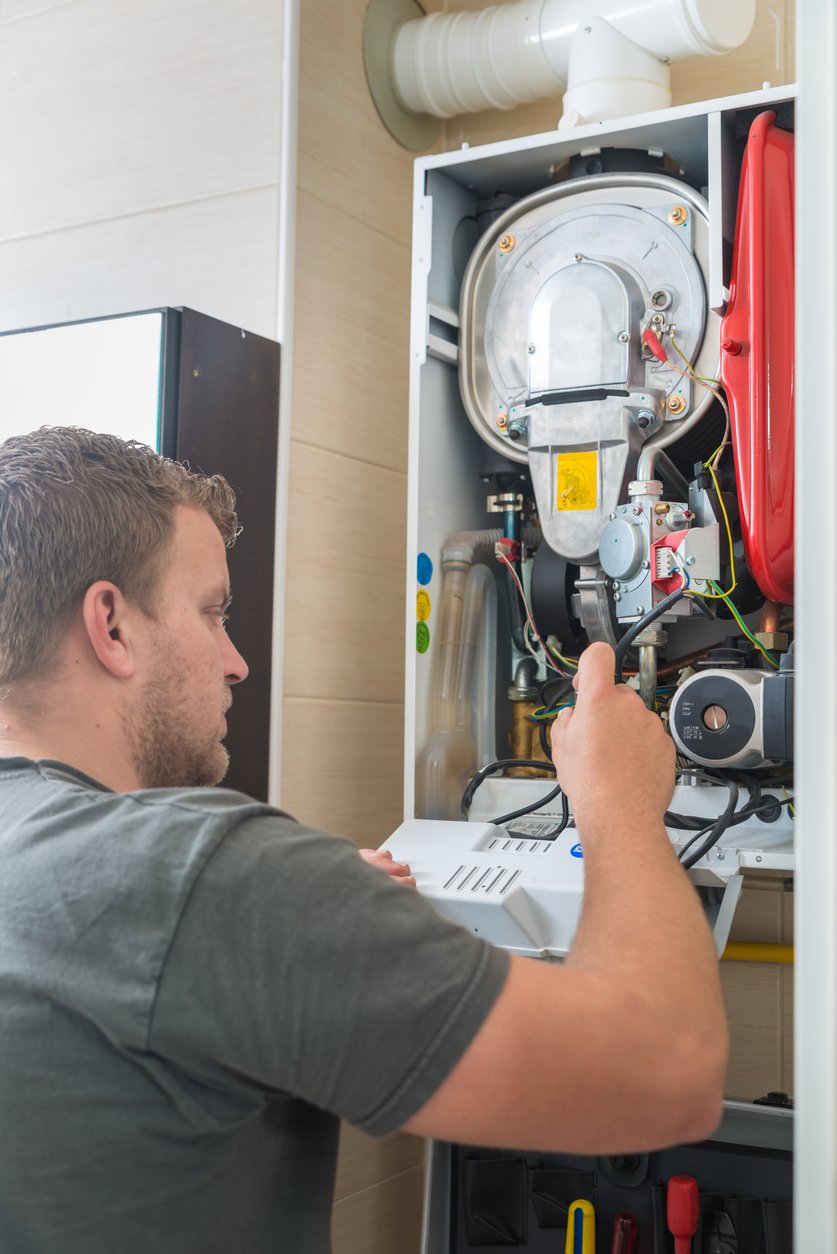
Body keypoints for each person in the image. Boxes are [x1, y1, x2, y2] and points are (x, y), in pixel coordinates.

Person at [0, 426, 727, 1253]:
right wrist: (620, 803)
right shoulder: (200, 879)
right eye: (212, 613)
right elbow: (666, 1071)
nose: (236, 662)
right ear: (112, 627)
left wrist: (305, 911)